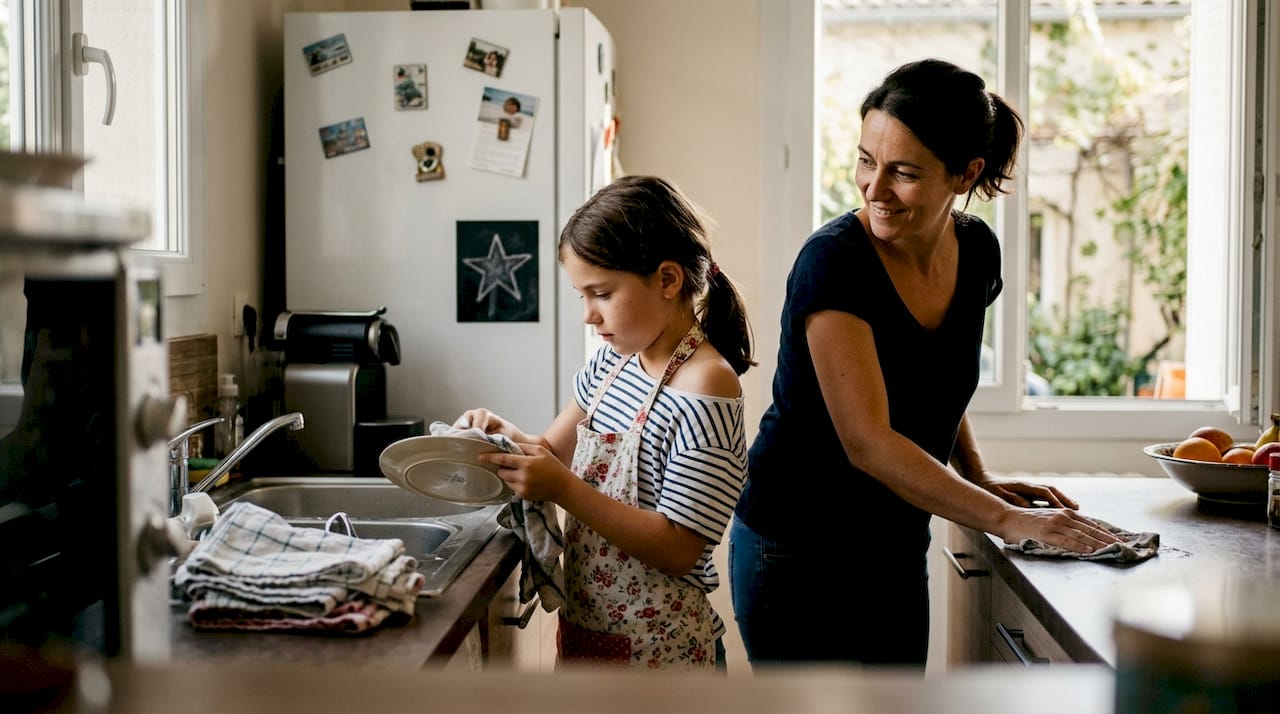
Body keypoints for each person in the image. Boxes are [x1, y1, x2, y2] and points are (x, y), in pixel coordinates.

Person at [728, 58, 1123, 670]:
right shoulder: (833, 263)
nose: (874, 188)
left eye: (903, 172)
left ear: (965, 174)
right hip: (796, 549)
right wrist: (1007, 518)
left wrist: (978, 472)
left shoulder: (977, 252)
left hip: (894, 542)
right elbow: (869, 442)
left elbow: (938, 381)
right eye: (866, 160)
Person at [454, 175, 755, 672]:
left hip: (665, 656)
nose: (589, 316)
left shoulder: (707, 387)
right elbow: (551, 452)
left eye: (602, 293)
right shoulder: (612, 364)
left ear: (667, 279)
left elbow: (678, 547)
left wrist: (563, 489)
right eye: (582, 296)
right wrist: (501, 434)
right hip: (591, 633)